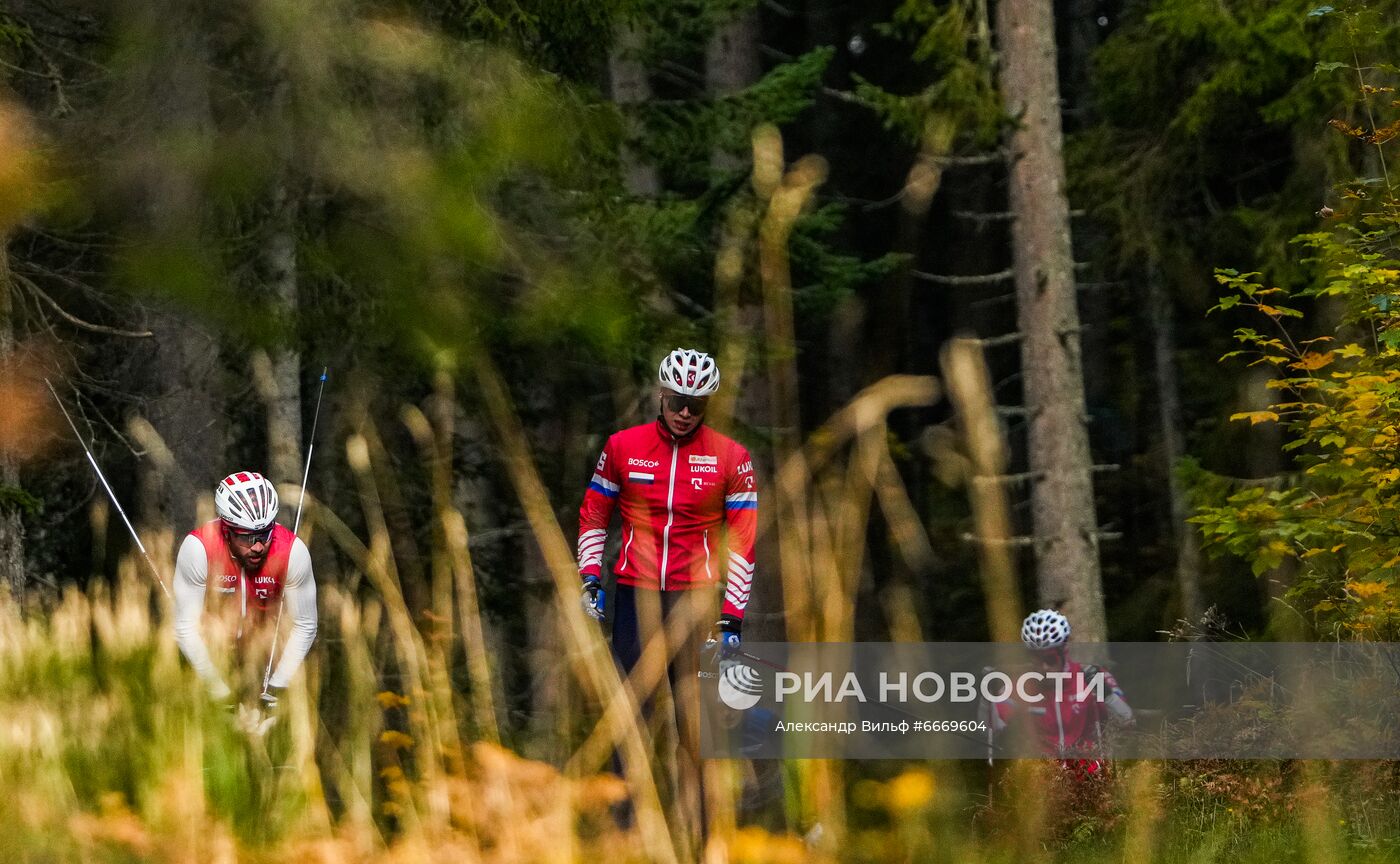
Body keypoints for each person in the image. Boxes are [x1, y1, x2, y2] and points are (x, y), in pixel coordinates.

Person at [576, 348, 758, 834]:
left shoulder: (731, 458)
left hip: (694, 600)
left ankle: (703, 836)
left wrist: (731, 618)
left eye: (696, 405)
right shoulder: (622, 447)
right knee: (629, 716)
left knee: (695, 725)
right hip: (634, 594)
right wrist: (589, 575)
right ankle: (621, 832)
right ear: (661, 394)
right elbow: (594, 512)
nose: (684, 412)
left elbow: (743, 543)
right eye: (677, 400)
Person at [173, 471, 318, 721]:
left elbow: (305, 624)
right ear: (227, 530)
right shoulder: (198, 549)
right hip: (212, 656)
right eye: (248, 537)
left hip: (267, 656)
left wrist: (277, 688)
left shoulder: (292, 551)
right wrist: (217, 691)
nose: (258, 546)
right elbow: (184, 627)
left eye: (264, 534)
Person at [992, 609, 1133, 777]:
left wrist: (1107, 695)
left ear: (1064, 651)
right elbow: (992, 723)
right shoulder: (1022, 685)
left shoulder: (1092, 676)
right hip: (1045, 782)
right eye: (1036, 659)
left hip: (1092, 780)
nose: (1043, 667)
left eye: (1050, 659)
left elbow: (1127, 720)